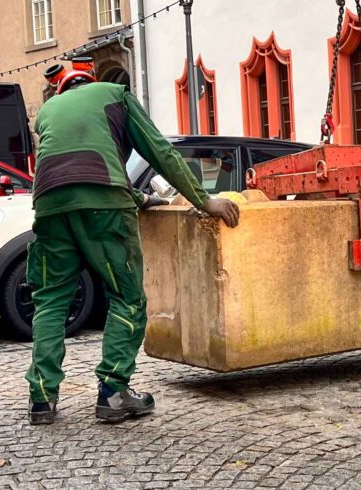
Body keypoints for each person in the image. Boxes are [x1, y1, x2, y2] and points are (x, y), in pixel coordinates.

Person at [27, 65, 240, 425]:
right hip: (105, 208)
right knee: (127, 298)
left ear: (61, 90)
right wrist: (204, 200)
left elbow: (76, 165)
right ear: (93, 82)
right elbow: (161, 152)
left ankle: (41, 399)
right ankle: (113, 392)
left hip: (49, 207)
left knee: (50, 302)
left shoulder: (48, 111)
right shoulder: (115, 95)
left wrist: (139, 199)